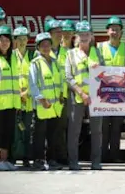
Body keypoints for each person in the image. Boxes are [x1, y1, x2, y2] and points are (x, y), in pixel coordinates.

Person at [65, 21, 103, 171]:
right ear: (76, 36)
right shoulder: (70, 54)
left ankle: (96, 162)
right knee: (74, 131)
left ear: (92, 36)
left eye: (87, 34)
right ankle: (73, 162)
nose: (84, 37)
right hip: (78, 96)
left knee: (97, 131)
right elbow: (68, 77)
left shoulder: (97, 52)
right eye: (81, 34)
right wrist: (81, 92)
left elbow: (105, 74)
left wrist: (99, 69)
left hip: (95, 98)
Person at [94, 16, 125, 163]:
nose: (114, 32)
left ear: (121, 32)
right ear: (107, 31)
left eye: (117, 29)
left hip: (120, 92)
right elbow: (95, 68)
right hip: (104, 92)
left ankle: (115, 154)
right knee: (103, 126)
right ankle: (102, 155)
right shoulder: (99, 47)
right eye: (112, 29)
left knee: (116, 126)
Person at [29, 32, 66, 171]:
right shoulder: (35, 63)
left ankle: (52, 160)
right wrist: (41, 99)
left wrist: (62, 95)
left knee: (53, 135)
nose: (46, 47)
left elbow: (61, 80)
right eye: (42, 45)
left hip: (55, 106)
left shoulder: (55, 62)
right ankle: (38, 160)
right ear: (38, 47)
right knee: (39, 135)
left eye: (48, 44)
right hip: (42, 106)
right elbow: (32, 84)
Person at [0, 25, 21, 171]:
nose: (5, 43)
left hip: (12, 103)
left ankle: (5, 160)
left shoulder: (14, 57)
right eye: (2, 40)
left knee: (8, 132)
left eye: (7, 40)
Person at [44, 18, 70, 166]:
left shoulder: (66, 52)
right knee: (47, 128)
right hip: (47, 98)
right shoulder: (42, 52)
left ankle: (60, 155)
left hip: (62, 96)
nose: (59, 35)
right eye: (56, 32)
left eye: (60, 32)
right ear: (49, 34)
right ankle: (49, 156)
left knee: (60, 127)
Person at [12, 26, 34, 168]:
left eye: (24, 39)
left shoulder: (32, 55)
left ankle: (26, 157)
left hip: (28, 99)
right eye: (19, 39)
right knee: (14, 131)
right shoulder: (11, 56)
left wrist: (26, 93)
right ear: (14, 41)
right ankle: (13, 157)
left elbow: (36, 78)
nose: (22, 41)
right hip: (14, 99)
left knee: (27, 130)